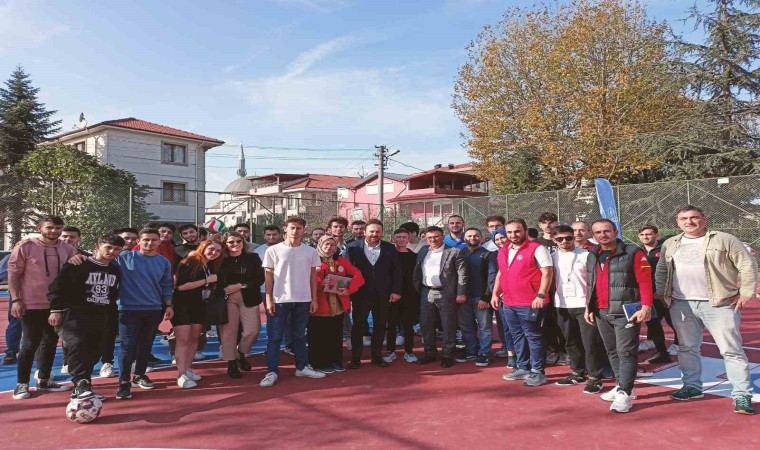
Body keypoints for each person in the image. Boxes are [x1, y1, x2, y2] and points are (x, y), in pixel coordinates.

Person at [655, 205, 758, 415]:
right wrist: (662, 294)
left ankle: (741, 395)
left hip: (719, 303)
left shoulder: (724, 239)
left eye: (694, 217)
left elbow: (747, 265)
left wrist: (746, 292)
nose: (689, 222)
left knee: (731, 350)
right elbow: (662, 270)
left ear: (704, 218)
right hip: (681, 304)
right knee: (686, 348)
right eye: (684, 218)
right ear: (677, 222)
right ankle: (692, 386)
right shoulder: (670, 243)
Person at [584, 219, 653, 413]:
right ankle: (622, 385)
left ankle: (625, 392)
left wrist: (646, 307)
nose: (602, 235)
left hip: (626, 312)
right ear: (593, 235)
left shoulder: (633, 253)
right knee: (612, 351)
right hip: (601, 311)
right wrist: (589, 307)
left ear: (615, 232)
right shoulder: (592, 254)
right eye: (598, 232)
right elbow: (591, 283)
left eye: (606, 231)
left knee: (626, 352)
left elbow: (645, 281)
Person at [48, 234, 123, 400]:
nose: (112, 251)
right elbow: (56, 288)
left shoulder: (114, 269)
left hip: (101, 315)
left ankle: (82, 386)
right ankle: (81, 383)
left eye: (117, 249)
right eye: (108, 247)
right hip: (75, 314)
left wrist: (111, 317)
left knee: (94, 351)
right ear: (98, 246)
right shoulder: (78, 264)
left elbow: (112, 295)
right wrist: (55, 310)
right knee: (78, 345)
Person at [9, 215, 77, 400]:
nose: (54, 231)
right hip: (31, 303)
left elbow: (77, 267)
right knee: (30, 343)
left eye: (58, 228)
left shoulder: (68, 248)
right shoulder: (25, 246)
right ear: (39, 228)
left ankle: (44, 379)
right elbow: (14, 274)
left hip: (57, 305)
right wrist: (16, 299)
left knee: (50, 342)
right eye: (50, 227)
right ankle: (22, 384)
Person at [109, 228, 174, 400]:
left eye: (154, 240)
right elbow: (100, 258)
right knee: (127, 346)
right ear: (139, 241)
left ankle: (139, 375)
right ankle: (124, 382)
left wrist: (168, 305)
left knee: (145, 345)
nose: (149, 243)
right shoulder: (123, 257)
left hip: (154, 309)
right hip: (127, 309)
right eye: (146, 239)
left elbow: (166, 285)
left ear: (159, 242)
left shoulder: (163, 262)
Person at [260, 217, 325, 387]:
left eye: (298, 228)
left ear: (304, 230)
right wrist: (269, 299)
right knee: (275, 337)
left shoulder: (310, 251)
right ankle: (272, 371)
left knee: (300, 336)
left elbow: (313, 277)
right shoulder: (273, 250)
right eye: (292, 228)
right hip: (280, 300)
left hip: (303, 300)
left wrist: (314, 299)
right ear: (285, 229)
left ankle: (302, 367)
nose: (295, 231)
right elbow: (268, 276)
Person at [491, 218, 553, 387]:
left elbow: (547, 272)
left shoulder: (537, 248)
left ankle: (538, 371)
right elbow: (501, 273)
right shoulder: (503, 250)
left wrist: (541, 295)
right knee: (517, 335)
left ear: (525, 231)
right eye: (509, 232)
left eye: (517, 231)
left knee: (533, 336)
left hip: (530, 302)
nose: (513, 235)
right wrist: (495, 294)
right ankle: (523, 367)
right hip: (509, 302)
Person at [550, 225, 605, 394]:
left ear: (573, 237)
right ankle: (577, 373)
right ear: (554, 240)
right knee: (570, 341)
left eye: (568, 238)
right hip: (561, 305)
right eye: (559, 239)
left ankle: (595, 377)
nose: (564, 241)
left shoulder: (587, 255)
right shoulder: (552, 257)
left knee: (590, 342)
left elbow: (595, 281)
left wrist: (592, 305)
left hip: (584, 305)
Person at [345, 219, 402, 369]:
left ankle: (377, 357)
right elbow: (346, 272)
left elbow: (396, 271)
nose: (374, 234)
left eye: (378, 231)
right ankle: (356, 359)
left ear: (382, 233)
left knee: (381, 325)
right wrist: (348, 292)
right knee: (358, 326)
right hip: (360, 294)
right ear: (365, 232)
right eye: (371, 231)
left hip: (383, 294)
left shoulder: (389, 248)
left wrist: (396, 291)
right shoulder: (352, 248)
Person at [414, 226, 468, 368]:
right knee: (426, 324)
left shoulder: (455, 252)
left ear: (443, 237)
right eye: (430, 237)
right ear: (426, 239)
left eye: (436, 236)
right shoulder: (423, 251)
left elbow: (462, 275)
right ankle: (429, 353)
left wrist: (461, 293)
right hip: (426, 292)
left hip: (446, 292)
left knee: (448, 324)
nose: (433, 240)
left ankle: (447, 355)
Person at [172, 239, 224, 388]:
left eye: (218, 251)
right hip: (183, 306)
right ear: (203, 247)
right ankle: (181, 375)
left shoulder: (209, 264)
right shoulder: (190, 262)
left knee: (194, 338)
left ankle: (188, 368)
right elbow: (181, 287)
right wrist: (207, 280)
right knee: (183, 340)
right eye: (211, 249)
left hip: (199, 306)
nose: (214, 253)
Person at [309, 235, 364, 373]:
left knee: (335, 334)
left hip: (337, 305)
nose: (329, 247)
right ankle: (319, 363)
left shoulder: (340, 260)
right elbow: (307, 280)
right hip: (318, 304)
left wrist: (348, 289)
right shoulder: (312, 260)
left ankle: (335, 361)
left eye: (332, 245)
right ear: (319, 245)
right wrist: (322, 283)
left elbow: (358, 276)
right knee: (319, 335)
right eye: (326, 244)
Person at [218, 231, 265, 378]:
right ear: (225, 244)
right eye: (231, 242)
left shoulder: (253, 257)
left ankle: (240, 353)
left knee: (253, 330)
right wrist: (224, 289)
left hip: (249, 296)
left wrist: (240, 285)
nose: (235, 244)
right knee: (229, 332)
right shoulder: (220, 259)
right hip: (226, 298)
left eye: (239, 241)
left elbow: (260, 278)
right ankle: (231, 363)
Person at [637, 224, 676, 363]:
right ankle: (657, 348)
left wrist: (667, 289)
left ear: (656, 235)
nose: (645, 237)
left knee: (672, 320)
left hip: (665, 292)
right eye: (642, 235)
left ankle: (678, 344)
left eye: (648, 234)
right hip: (648, 293)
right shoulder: (638, 251)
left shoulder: (664, 249)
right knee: (652, 321)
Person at [462, 227, 498, 367]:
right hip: (463, 297)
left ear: (481, 238)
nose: (473, 238)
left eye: (476, 236)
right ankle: (471, 350)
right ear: (464, 238)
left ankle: (484, 353)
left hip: (480, 297)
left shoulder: (489, 254)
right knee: (467, 326)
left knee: (484, 327)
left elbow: (491, 277)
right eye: (469, 236)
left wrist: (485, 297)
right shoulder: (459, 253)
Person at [384, 228, 420, 363]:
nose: (401, 240)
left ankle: (409, 352)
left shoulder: (414, 256)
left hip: (409, 296)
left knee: (408, 325)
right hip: (391, 295)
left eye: (404, 237)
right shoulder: (387, 256)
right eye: (398, 237)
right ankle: (390, 351)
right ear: (393, 238)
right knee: (391, 324)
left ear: (409, 238)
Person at [490, 229, 516, 367]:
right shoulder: (495, 255)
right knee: (507, 328)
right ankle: (511, 354)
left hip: (522, 297)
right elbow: (494, 275)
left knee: (523, 329)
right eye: (497, 239)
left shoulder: (523, 251)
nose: (500, 241)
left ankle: (525, 355)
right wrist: (497, 294)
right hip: (504, 298)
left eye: (502, 238)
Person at [2, 251, 21, 365]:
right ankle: (11, 352)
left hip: (44, 295)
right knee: (16, 323)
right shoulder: (13, 256)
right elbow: (2, 272)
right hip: (19, 295)